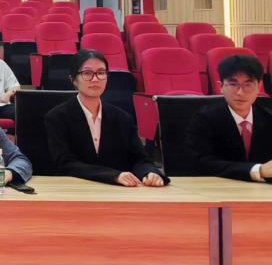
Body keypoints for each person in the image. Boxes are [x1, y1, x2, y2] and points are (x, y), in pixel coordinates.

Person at [45, 50, 168, 187]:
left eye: (101, 72)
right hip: (74, 190)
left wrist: (150, 172)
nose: (95, 79)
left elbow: (140, 159)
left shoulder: (122, 118)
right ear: (73, 80)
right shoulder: (57, 117)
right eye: (87, 73)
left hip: (117, 193)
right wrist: (113, 176)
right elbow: (65, 163)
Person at [186, 54, 272, 183]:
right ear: (221, 86)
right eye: (233, 84)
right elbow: (201, 163)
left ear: (259, 87)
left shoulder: (268, 117)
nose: (240, 92)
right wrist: (257, 170)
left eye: (248, 85)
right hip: (218, 188)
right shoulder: (204, 119)